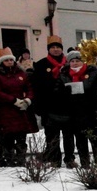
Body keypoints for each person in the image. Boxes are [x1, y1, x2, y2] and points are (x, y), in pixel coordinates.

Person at [0, 47, 38, 167]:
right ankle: (9, 160)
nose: (10, 62)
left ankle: (21, 159)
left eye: (11, 60)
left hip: (21, 109)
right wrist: (13, 100)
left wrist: (27, 100)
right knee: (7, 137)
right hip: (5, 110)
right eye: (7, 60)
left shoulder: (21, 73)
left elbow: (29, 87)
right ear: (1, 62)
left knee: (21, 136)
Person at [32, 35, 76, 168]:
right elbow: (36, 87)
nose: (56, 50)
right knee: (52, 136)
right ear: (48, 49)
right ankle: (55, 159)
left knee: (69, 135)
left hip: (67, 105)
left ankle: (69, 159)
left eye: (58, 47)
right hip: (49, 106)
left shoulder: (69, 64)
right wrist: (38, 106)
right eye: (53, 47)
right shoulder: (41, 65)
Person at [56, 49, 97, 169]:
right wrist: (64, 91)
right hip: (74, 112)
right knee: (80, 140)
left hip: (91, 111)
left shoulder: (92, 71)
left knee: (95, 139)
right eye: (72, 61)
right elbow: (57, 90)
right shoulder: (64, 74)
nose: (75, 63)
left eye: (77, 60)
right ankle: (85, 165)